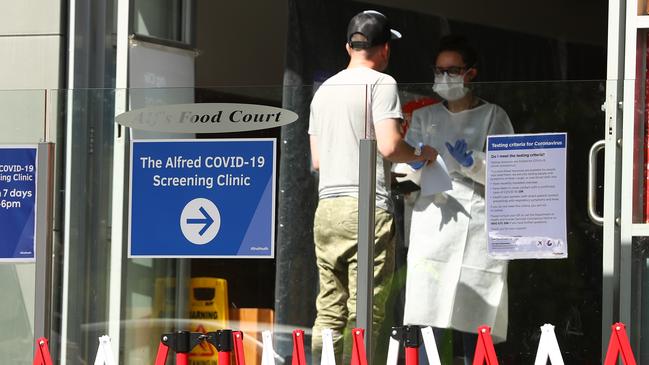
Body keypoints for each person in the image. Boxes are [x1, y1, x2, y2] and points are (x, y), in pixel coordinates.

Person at [308, 10, 438, 364]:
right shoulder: (382, 84)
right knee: (366, 308)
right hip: (365, 207)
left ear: (348, 46)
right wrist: (420, 155)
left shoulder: (323, 92)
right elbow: (389, 146)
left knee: (329, 307)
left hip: (327, 209)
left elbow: (318, 160)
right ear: (384, 49)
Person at [402, 35, 514, 364]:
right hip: (433, 225)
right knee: (428, 316)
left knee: (474, 319)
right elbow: (404, 170)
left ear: (471, 73)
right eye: (440, 71)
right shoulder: (424, 117)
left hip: (477, 226)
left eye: (453, 70)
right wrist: (413, 165)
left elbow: (509, 174)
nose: (445, 78)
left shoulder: (494, 116)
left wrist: (474, 162)